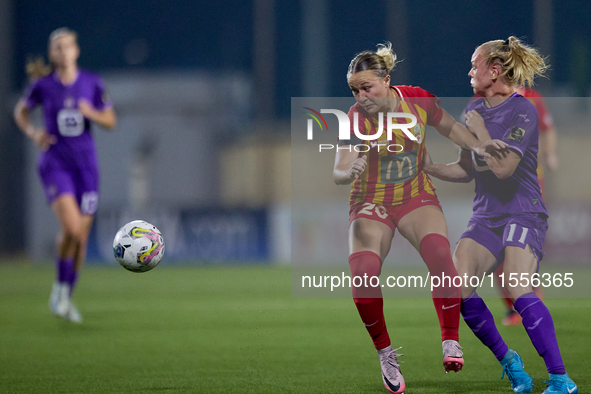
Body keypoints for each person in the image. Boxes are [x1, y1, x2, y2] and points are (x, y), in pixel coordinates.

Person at [334, 42, 506, 394]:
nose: (361, 96)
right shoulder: (356, 117)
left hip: (415, 194)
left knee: (443, 260)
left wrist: (479, 146)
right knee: (363, 278)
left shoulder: (417, 99)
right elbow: (338, 169)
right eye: (354, 89)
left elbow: (452, 128)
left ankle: (450, 340)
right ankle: (385, 353)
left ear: (387, 80)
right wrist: (348, 170)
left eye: (367, 87)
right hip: (370, 200)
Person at [423, 36, 577, 394]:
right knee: (455, 286)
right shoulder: (473, 108)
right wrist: (427, 165)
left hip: (523, 213)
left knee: (518, 286)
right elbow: (466, 170)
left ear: (494, 70)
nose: (469, 71)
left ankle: (560, 379)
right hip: (487, 216)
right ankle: (511, 362)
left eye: (474, 64)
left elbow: (505, 167)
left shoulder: (521, 109)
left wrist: (477, 131)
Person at [14, 28, 116, 323]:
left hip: (86, 167)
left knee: (80, 239)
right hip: (56, 164)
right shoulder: (43, 86)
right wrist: (34, 132)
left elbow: (111, 120)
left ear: (76, 51)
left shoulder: (92, 83)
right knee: (71, 229)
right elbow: (20, 111)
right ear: (52, 54)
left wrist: (92, 113)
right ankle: (59, 290)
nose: (62, 51)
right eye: (56, 47)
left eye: (67, 45)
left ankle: (65, 295)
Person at [499, 86, 559, 326]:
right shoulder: (482, 96)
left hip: (529, 183)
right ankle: (515, 306)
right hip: (496, 185)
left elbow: (548, 128)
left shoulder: (533, 97)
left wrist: (551, 153)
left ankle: (530, 296)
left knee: (521, 243)